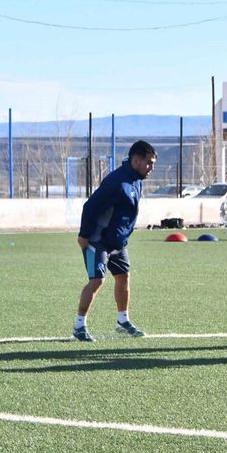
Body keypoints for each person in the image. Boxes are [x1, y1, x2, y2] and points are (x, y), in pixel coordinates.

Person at [73, 140, 157, 342]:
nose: (151, 168)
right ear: (136, 160)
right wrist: (84, 235)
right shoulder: (117, 182)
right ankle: (79, 326)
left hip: (117, 243)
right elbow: (90, 207)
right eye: (149, 163)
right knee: (97, 280)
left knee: (123, 277)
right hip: (98, 240)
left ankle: (122, 320)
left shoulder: (136, 180)